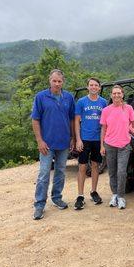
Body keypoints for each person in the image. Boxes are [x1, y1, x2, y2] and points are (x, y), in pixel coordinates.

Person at [31, 69, 75, 220]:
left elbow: (71, 119)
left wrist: (73, 138)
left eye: (59, 81)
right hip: (46, 144)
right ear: (49, 81)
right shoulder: (41, 97)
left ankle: (57, 198)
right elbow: (35, 120)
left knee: (61, 172)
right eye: (54, 81)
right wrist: (39, 141)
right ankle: (39, 205)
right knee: (44, 174)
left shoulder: (68, 97)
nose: (57, 84)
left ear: (63, 82)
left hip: (63, 142)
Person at [100, 85, 134, 209]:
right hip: (109, 145)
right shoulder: (106, 110)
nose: (116, 95)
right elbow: (103, 129)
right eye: (114, 93)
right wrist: (102, 145)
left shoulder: (128, 108)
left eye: (119, 93)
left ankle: (121, 196)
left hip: (124, 145)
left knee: (121, 172)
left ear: (122, 94)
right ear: (111, 95)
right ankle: (114, 194)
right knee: (112, 172)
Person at [74, 77, 107, 209]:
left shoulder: (103, 102)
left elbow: (105, 123)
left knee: (95, 166)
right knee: (82, 167)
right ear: (87, 87)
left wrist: (103, 142)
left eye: (96, 85)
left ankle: (93, 191)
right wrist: (78, 139)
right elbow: (76, 121)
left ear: (99, 87)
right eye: (91, 85)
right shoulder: (81, 102)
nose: (93, 87)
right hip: (84, 139)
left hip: (98, 139)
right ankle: (80, 195)